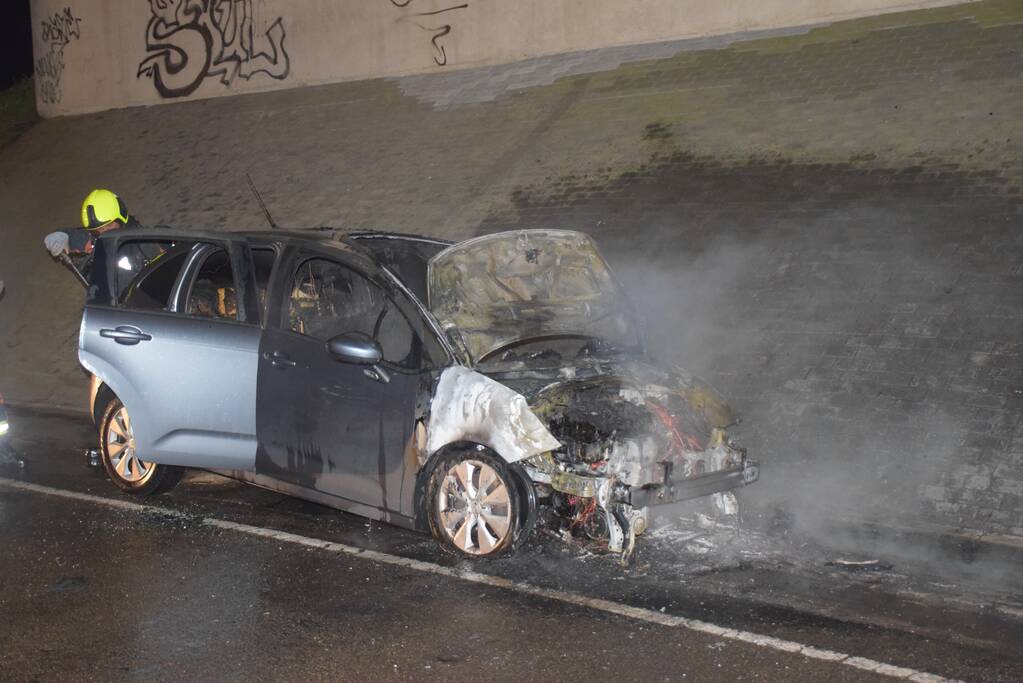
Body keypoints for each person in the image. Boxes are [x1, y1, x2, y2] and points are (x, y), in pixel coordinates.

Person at [43, 189, 146, 278]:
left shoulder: (143, 239)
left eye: (109, 225)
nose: (105, 232)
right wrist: (61, 237)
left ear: (121, 217)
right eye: (99, 230)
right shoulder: (94, 241)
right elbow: (72, 236)